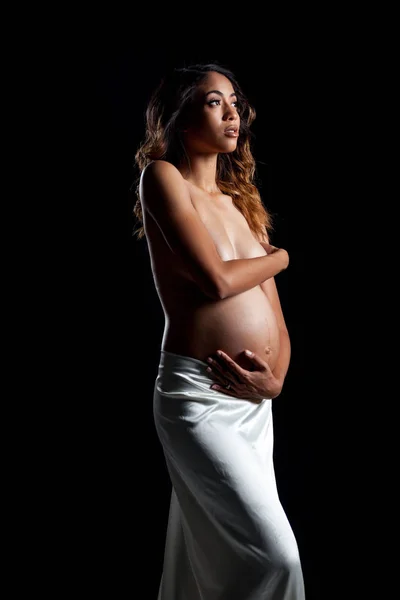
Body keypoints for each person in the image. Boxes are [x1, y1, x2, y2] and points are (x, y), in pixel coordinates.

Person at [132, 62, 306, 599]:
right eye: (213, 101)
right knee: (276, 557)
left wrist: (274, 381)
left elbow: (275, 318)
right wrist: (280, 258)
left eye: (234, 102)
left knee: (202, 561)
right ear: (182, 116)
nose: (233, 113)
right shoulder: (163, 178)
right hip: (198, 398)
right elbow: (214, 281)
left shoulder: (241, 204)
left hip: (253, 405)